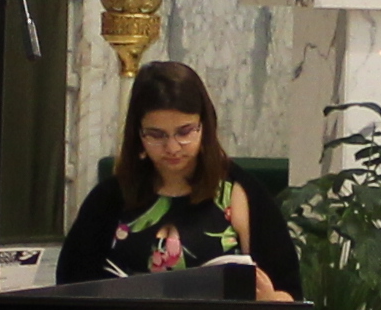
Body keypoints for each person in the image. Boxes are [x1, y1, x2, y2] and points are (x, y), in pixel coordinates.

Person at [58, 60, 287, 292]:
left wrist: (268, 304)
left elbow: (287, 300)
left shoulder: (238, 191)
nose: (173, 147)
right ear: (138, 134)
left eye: (184, 132)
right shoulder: (110, 197)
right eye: (156, 135)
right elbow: (70, 291)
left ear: (204, 126)